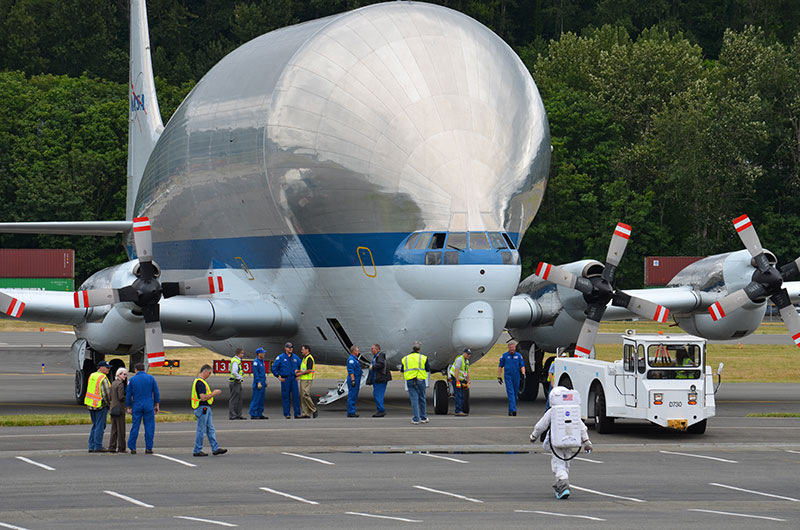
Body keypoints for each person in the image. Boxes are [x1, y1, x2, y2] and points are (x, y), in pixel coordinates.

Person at [530, 386, 592, 499]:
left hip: (557, 442)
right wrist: (586, 442)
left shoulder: (552, 411)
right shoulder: (573, 412)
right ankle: (561, 483)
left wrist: (533, 436)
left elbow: (541, 425)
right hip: (571, 440)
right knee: (566, 463)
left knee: (558, 465)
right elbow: (581, 427)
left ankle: (564, 486)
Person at [192, 364, 228, 457]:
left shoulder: (201, 382)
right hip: (202, 408)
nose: (209, 375)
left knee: (210, 429)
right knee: (201, 430)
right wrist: (214, 393)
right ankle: (197, 449)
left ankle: (215, 448)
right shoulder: (200, 383)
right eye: (209, 373)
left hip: (205, 408)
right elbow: (203, 397)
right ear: (205, 372)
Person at [126, 362, 160, 454]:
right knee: (149, 427)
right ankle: (149, 448)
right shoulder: (151, 378)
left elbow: (128, 394)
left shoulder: (132, 380)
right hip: (148, 404)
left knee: (135, 426)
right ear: (144, 369)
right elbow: (156, 392)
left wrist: (128, 406)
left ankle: (132, 447)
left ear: (136, 370)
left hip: (137, 404)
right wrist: (156, 404)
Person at [85, 360, 112, 453]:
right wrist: (109, 404)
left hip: (91, 404)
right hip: (100, 405)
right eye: (106, 367)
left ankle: (91, 446)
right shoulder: (102, 378)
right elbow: (107, 394)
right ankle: (98, 446)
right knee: (100, 426)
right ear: (100, 367)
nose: (108, 369)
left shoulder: (92, 375)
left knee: (95, 425)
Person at [401, 341, 430, 425]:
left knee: (414, 399)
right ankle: (423, 417)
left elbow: (402, 370)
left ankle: (416, 418)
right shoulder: (423, 358)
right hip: (420, 380)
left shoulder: (405, 358)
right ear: (419, 349)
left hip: (410, 380)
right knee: (422, 398)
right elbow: (427, 369)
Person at [273, 342, 301, 418]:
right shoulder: (281, 357)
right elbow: (274, 368)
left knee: (296, 396)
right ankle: (287, 414)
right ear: (285, 348)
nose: (290, 349)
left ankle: (297, 413)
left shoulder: (295, 357)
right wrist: (278, 376)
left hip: (293, 378)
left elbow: (301, 367)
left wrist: (299, 375)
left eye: (291, 347)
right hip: (285, 379)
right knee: (286, 397)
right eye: (289, 347)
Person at [498, 341, 526, 416]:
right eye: (510, 348)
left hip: (516, 376)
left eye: (513, 348)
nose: (511, 349)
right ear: (508, 348)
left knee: (515, 393)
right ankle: (514, 409)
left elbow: (522, 365)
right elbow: (500, 366)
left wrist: (523, 374)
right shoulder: (504, 356)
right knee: (511, 393)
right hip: (508, 376)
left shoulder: (519, 356)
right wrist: (499, 376)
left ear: (515, 348)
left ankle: (510, 410)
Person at [109, 367, 128, 453]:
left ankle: (112, 447)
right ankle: (121, 447)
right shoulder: (120, 384)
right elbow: (121, 397)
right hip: (119, 409)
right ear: (119, 374)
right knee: (121, 429)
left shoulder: (113, 383)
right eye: (124, 374)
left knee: (114, 429)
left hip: (113, 408)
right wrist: (127, 398)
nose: (125, 376)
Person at [370, 343, 392, 417]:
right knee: (377, 395)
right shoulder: (376, 356)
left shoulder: (380, 356)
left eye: (372, 348)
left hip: (380, 380)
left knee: (378, 395)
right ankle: (380, 409)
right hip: (377, 380)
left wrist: (372, 367)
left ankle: (381, 410)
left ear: (377, 349)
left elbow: (381, 364)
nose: (371, 350)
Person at [448, 348, 471, 416]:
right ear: (463, 353)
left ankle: (460, 409)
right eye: (467, 354)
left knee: (461, 395)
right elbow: (456, 371)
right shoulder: (459, 360)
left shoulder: (466, 361)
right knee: (458, 394)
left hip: (461, 379)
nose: (468, 355)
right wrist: (457, 381)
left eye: (469, 354)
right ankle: (458, 411)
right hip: (456, 378)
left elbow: (467, 371)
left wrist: (468, 381)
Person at [296, 345, 317, 419]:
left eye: (303, 349)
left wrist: (299, 373)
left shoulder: (309, 358)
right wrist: (299, 371)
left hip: (307, 379)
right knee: (302, 396)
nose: (301, 351)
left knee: (305, 394)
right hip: (303, 379)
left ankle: (313, 409)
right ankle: (306, 413)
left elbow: (309, 370)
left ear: (307, 350)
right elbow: (304, 369)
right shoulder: (304, 358)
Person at [249, 347, 268, 419]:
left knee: (261, 399)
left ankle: (260, 413)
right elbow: (256, 373)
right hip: (258, 382)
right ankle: (253, 413)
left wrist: (265, 380)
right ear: (259, 354)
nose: (264, 354)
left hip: (262, 381)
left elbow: (263, 372)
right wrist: (258, 382)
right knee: (256, 399)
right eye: (262, 353)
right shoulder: (256, 362)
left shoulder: (262, 361)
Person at [228, 348, 245, 420]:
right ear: (239, 354)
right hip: (235, 382)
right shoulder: (235, 361)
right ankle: (233, 415)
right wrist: (239, 377)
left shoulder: (237, 360)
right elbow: (234, 372)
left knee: (239, 398)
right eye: (242, 353)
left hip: (237, 382)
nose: (243, 355)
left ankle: (238, 414)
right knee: (234, 399)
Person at [346, 345, 363, 417]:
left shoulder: (355, 359)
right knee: (352, 396)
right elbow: (351, 371)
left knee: (354, 395)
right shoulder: (351, 360)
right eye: (357, 350)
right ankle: (351, 412)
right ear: (354, 351)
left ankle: (351, 411)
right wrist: (353, 380)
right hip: (354, 379)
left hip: (357, 379)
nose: (358, 351)